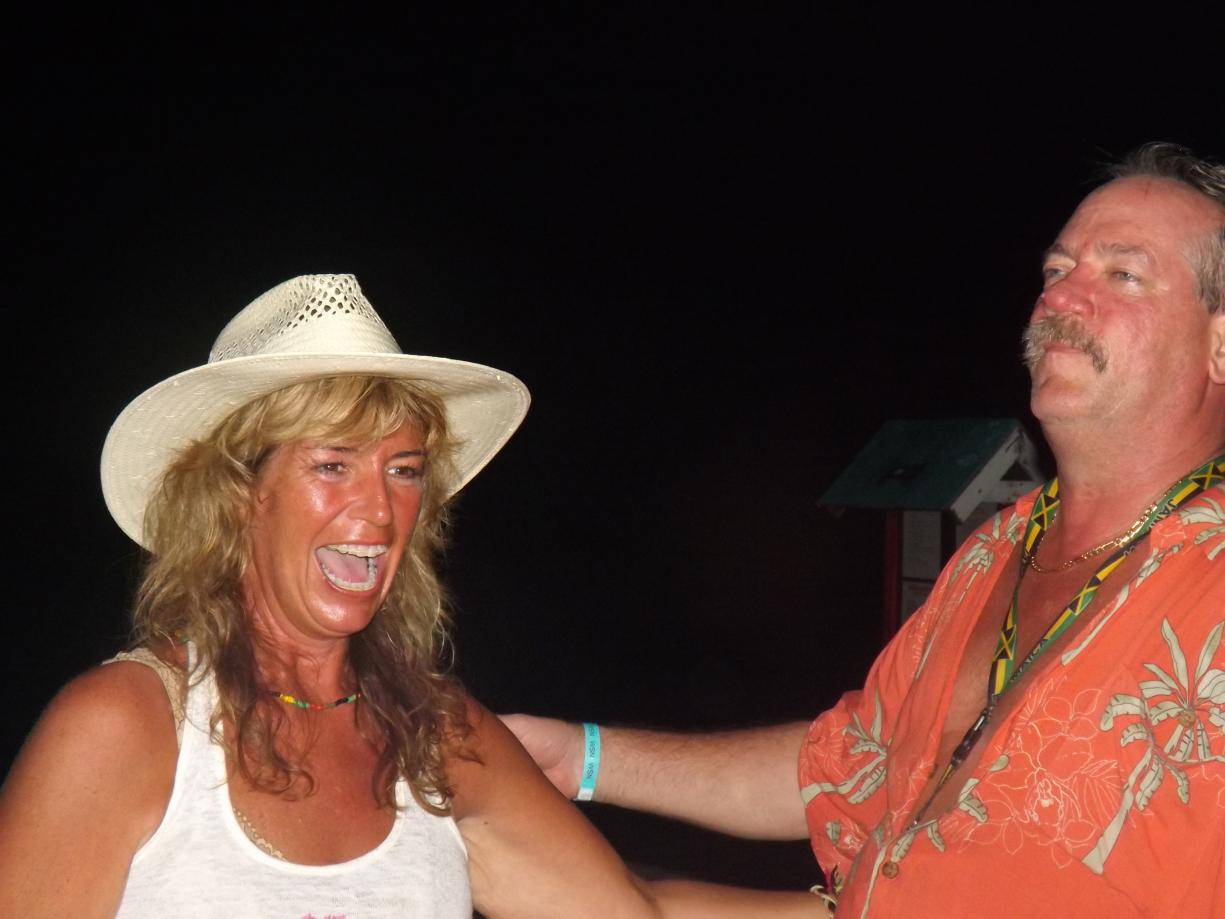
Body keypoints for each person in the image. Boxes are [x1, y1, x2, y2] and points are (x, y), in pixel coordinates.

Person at [506, 142, 1225, 917]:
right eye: (1056, 269)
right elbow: (849, 766)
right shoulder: (991, 553)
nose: (1058, 297)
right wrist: (580, 757)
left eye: (1121, 274)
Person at [0, 274, 831, 917]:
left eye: (402, 470)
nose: (378, 509)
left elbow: (632, 910)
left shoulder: (437, 733)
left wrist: (866, 903)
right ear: (238, 495)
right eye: (333, 464)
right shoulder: (125, 727)